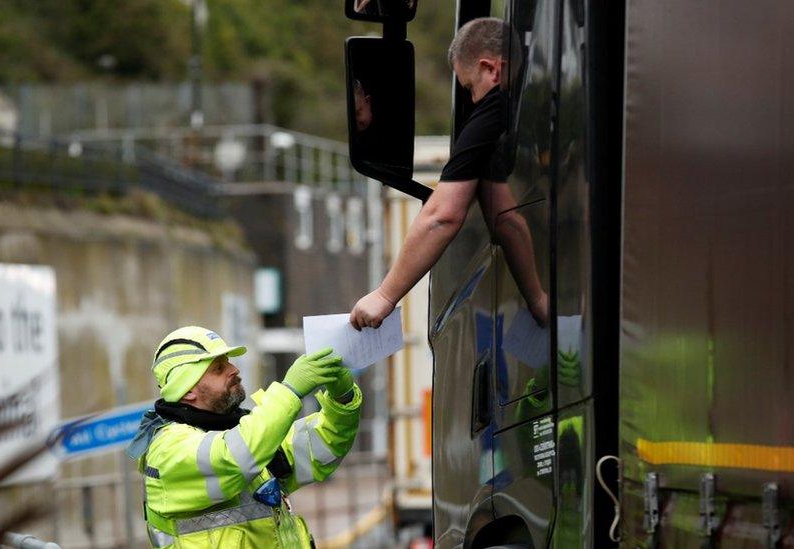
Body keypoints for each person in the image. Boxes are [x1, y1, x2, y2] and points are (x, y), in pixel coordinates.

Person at [350, 16, 547, 330]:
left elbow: (443, 216)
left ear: (491, 69)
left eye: (469, 85)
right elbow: (507, 217)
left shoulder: (493, 111)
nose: (471, 99)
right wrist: (538, 300)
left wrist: (385, 295)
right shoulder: (523, 111)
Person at [126, 326, 361, 548]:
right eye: (218, 368)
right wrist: (289, 391)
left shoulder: (240, 433)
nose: (234, 369)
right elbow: (232, 460)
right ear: (187, 390)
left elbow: (321, 448)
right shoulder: (168, 448)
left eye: (228, 362)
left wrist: (343, 398)